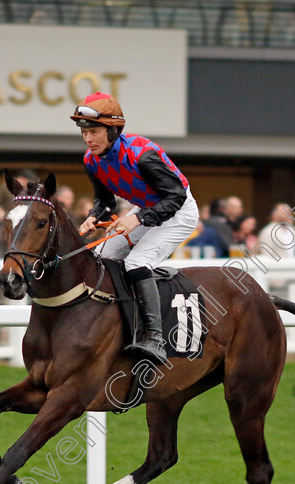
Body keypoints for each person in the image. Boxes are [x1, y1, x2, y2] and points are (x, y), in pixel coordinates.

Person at [73, 92, 198, 361]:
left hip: (180, 211)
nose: (88, 139)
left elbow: (175, 197)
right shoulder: (91, 160)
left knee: (137, 262)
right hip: (146, 208)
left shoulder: (143, 156)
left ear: (113, 130)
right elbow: (105, 201)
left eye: (94, 131)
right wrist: (95, 215)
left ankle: (155, 338)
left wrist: (138, 218)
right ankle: (117, 325)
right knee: (101, 256)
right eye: (84, 132)